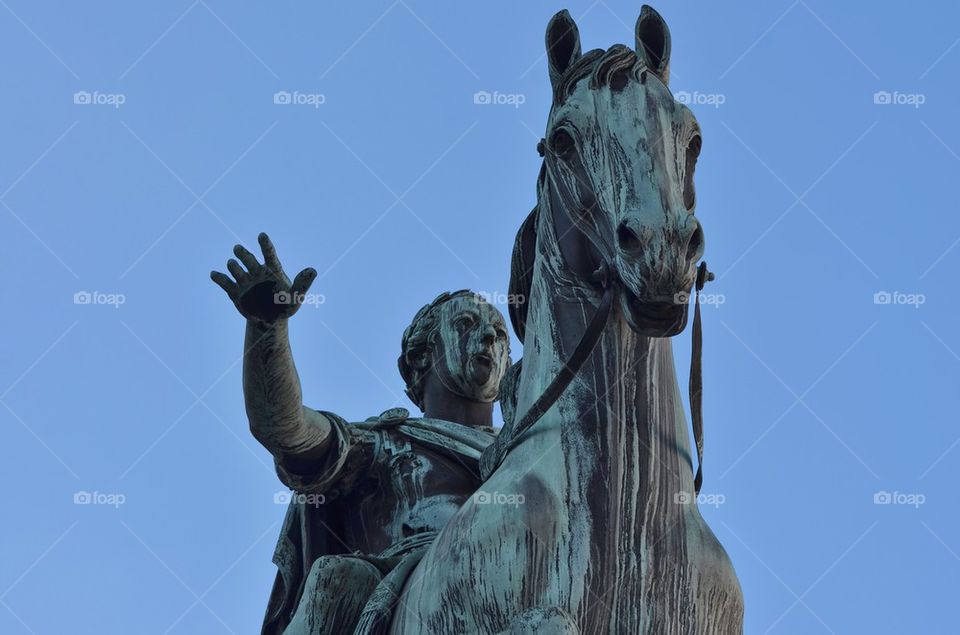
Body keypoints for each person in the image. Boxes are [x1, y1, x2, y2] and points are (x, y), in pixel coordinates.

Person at [210, 233, 512, 634]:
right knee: (339, 579)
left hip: (512, 588)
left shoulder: (529, 451)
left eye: (500, 333)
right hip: (400, 594)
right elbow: (284, 428)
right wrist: (268, 326)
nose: (490, 338)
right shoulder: (383, 443)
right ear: (422, 356)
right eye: (467, 324)